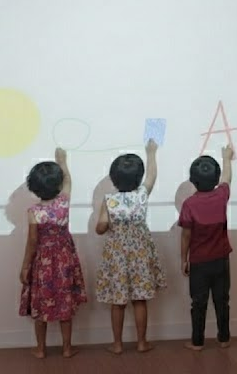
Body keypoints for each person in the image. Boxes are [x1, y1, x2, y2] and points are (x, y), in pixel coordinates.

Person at [95, 139, 167, 354]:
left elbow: (100, 228)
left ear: (114, 178)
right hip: (140, 254)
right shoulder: (142, 195)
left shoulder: (109, 200)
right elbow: (152, 175)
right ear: (138, 178)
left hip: (117, 255)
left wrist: (108, 223)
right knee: (139, 300)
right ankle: (142, 342)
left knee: (117, 303)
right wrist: (151, 153)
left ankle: (117, 344)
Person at [18, 148, 87, 358]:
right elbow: (68, 180)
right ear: (57, 185)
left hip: (44, 263)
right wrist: (63, 160)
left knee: (40, 306)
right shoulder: (64, 202)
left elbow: (32, 242)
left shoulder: (34, 212)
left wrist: (25, 267)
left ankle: (40, 349)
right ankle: (67, 348)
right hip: (65, 260)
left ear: (34, 187)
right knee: (65, 305)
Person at [179, 146, 235, 351]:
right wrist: (226, 157)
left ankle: (197, 342)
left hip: (199, 262)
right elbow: (228, 177)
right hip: (221, 260)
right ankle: (224, 338)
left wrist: (183, 259)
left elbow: (186, 235)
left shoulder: (189, 204)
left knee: (198, 303)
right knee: (222, 301)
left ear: (193, 181)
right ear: (216, 178)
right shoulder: (221, 195)